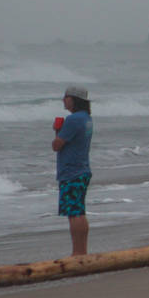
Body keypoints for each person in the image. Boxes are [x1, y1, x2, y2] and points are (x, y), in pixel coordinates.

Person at [52, 85, 94, 256]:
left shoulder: (73, 120)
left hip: (72, 171)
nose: (64, 100)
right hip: (82, 168)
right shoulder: (86, 118)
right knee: (79, 211)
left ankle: (78, 252)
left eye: (66, 97)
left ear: (74, 100)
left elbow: (57, 145)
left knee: (74, 213)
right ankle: (81, 251)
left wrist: (57, 132)